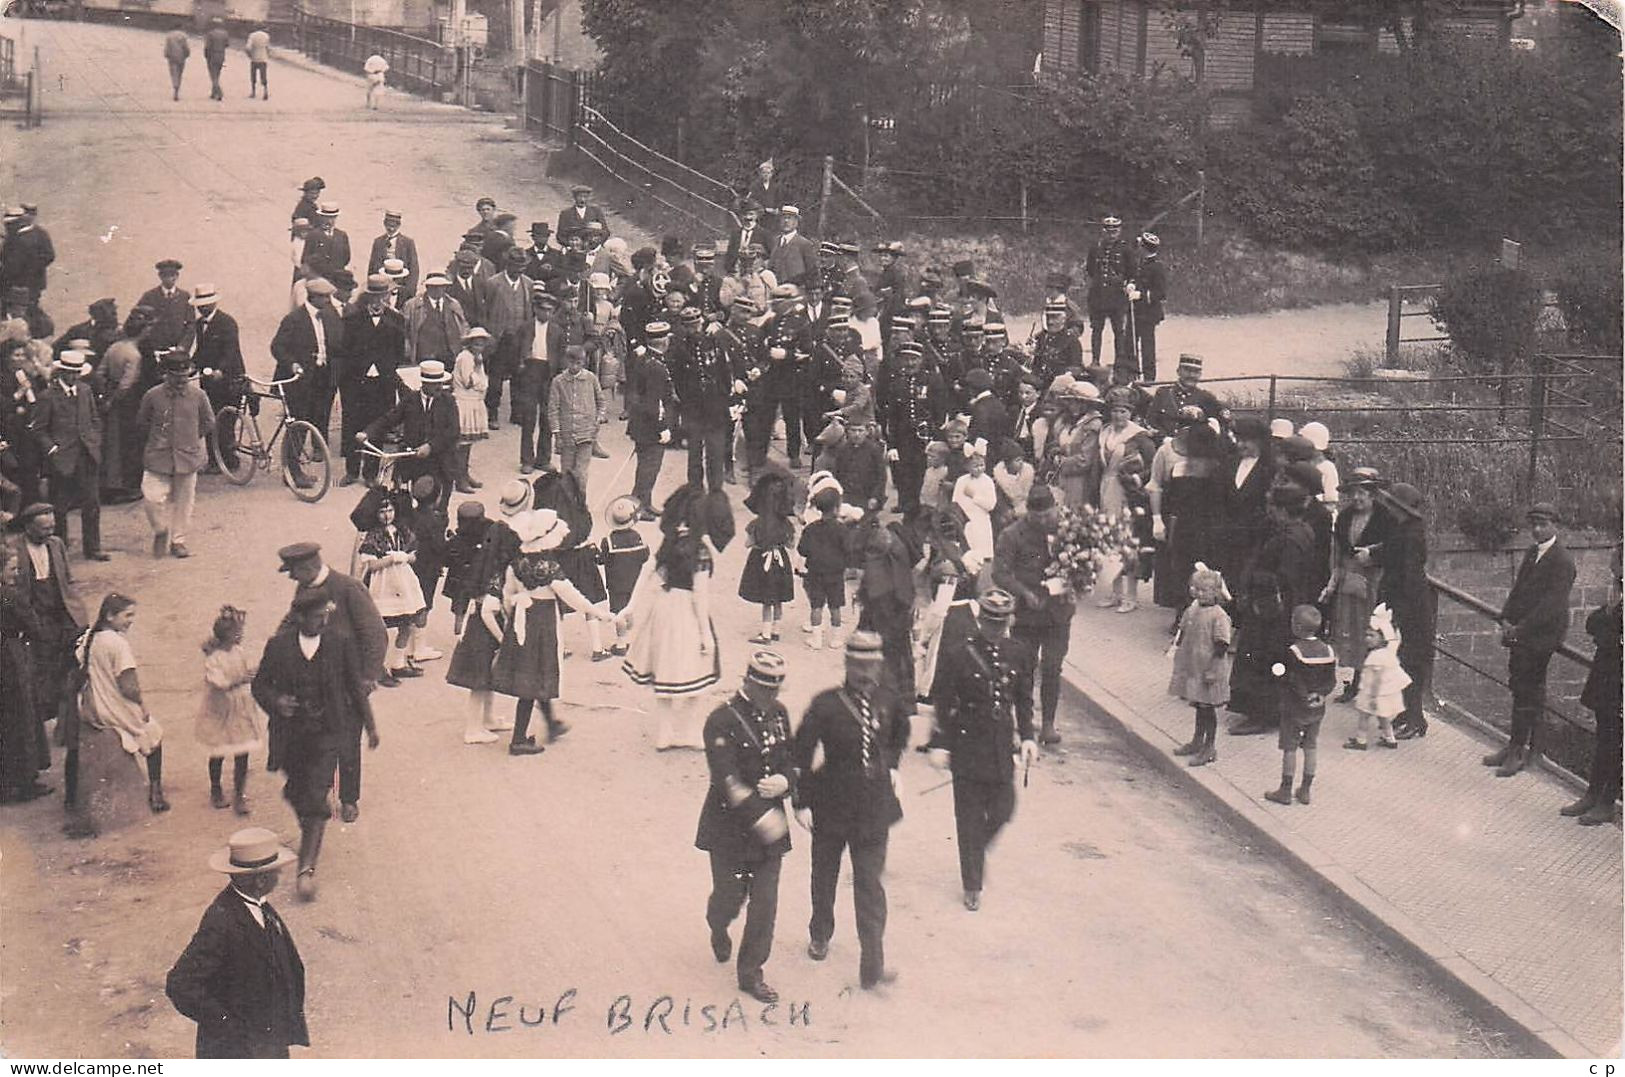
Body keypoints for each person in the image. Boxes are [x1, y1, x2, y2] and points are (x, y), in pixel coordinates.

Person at [792, 630, 905, 989]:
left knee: (870, 885)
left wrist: (892, 767)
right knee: (824, 875)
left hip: (874, 808)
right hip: (831, 805)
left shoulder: (890, 700)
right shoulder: (826, 705)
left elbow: (899, 735)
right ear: (847, 664)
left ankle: (873, 962)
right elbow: (801, 754)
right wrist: (801, 802)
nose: (864, 673)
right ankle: (820, 932)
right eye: (858, 665)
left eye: (871, 665)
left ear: (879, 665)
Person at [253, 590, 379, 900]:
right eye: (316, 616)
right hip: (290, 735)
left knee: (315, 797)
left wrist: (371, 725)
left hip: (327, 733)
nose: (323, 621)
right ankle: (311, 824)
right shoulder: (278, 646)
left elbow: (354, 685)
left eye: (326, 615)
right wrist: (276, 701)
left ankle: (305, 869)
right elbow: (259, 685)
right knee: (298, 793)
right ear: (299, 617)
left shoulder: (339, 643)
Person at [696, 648, 796, 1005]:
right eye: (765, 689)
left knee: (765, 903)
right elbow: (727, 780)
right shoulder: (720, 721)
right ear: (749, 684)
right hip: (729, 828)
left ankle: (751, 972)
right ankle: (718, 923)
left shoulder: (780, 715)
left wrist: (786, 782)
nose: (771, 698)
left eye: (776, 690)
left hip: (770, 832)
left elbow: (790, 758)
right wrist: (761, 814)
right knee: (729, 897)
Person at [933, 588, 1038, 911]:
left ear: (1008, 621)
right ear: (980, 620)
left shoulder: (1019, 653)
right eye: (990, 622)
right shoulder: (957, 653)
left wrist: (1028, 736)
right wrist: (940, 743)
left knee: (1004, 807)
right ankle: (972, 883)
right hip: (966, 742)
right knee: (968, 817)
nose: (995, 629)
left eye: (1001, 623)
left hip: (1000, 743)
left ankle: (974, 850)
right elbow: (943, 700)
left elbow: (1022, 699)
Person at [166, 827, 308, 1058]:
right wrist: (226, 1024)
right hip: (236, 1051)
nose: (279, 877)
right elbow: (180, 984)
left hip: (267, 1041)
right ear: (260, 880)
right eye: (275, 872)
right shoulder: (221, 921)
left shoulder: (260, 906)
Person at [490, 509, 611, 755]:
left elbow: (507, 594)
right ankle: (518, 739)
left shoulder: (516, 563)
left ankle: (551, 722)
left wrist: (511, 615)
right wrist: (599, 613)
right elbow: (571, 595)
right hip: (542, 621)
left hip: (521, 618)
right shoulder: (549, 566)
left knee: (532, 674)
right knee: (534, 677)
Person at [619, 485, 729, 747]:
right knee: (698, 672)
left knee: (665, 670)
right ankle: (690, 732)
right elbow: (699, 596)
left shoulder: (668, 544)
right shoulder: (700, 550)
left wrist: (630, 606)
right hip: (687, 614)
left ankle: (665, 732)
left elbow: (649, 572)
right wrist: (705, 634)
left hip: (663, 609)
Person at [1483, 503, 1576, 778]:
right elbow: (1519, 589)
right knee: (1519, 686)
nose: (1537, 529)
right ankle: (1513, 745)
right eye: (1533, 524)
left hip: (1541, 636)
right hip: (1523, 633)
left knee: (1528, 690)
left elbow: (1551, 606)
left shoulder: (1562, 561)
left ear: (1555, 525)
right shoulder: (1532, 552)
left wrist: (1519, 629)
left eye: (1543, 524)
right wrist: (1505, 617)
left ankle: (1519, 751)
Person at [992, 485, 1072, 746]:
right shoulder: (1012, 535)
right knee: (1022, 669)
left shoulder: (1068, 530)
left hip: (1058, 613)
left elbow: (1082, 561)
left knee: (1052, 668)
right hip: (1027, 615)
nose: (1044, 522)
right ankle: (1022, 723)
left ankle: (1048, 723)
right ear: (1028, 513)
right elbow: (1000, 573)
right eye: (1038, 517)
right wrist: (1024, 593)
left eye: (1048, 515)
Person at [80, 592, 169, 813]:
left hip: (93, 704)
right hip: (112, 707)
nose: (131, 620)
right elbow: (129, 687)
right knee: (153, 734)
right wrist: (142, 706)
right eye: (127, 615)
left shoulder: (91, 635)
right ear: (110, 616)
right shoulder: (118, 644)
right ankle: (156, 791)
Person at [9, 504, 86, 735]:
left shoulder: (57, 544)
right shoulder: (13, 549)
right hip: (33, 617)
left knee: (67, 665)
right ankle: (44, 716)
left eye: (52, 526)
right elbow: (8, 591)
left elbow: (67, 579)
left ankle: (62, 719)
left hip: (60, 614)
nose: (49, 532)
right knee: (40, 667)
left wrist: (76, 610)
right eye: (43, 528)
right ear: (28, 528)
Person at [1323, 468, 1393, 700]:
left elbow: (1395, 547)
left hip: (1376, 580)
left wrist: (1373, 554)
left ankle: (1375, 687)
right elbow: (1338, 551)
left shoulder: (1385, 518)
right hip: (1350, 580)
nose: (1357, 498)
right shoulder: (1344, 517)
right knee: (1352, 630)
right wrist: (1333, 581)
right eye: (1353, 492)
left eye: (1362, 492)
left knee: (1373, 629)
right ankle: (1355, 682)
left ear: (1373, 494)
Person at [137, 350, 214, 559]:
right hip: (158, 456)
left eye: (185, 377)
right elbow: (142, 422)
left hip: (187, 457)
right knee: (151, 497)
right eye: (176, 378)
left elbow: (208, 422)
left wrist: (190, 440)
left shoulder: (199, 396)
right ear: (166, 375)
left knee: (184, 502)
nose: (181, 382)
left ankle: (178, 541)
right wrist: (157, 441)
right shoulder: (153, 395)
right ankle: (160, 530)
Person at [1373, 482, 1434, 740]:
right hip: (1401, 602)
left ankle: (1415, 718)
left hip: (1410, 606)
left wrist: (1398, 612)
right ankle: (1404, 713)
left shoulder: (1412, 534)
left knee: (1410, 662)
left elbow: (1408, 575)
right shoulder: (1403, 529)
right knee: (1400, 659)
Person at [32, 349, 107, 560]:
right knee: (60, 508)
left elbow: (94, 419)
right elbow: (38, 429)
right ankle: (60, 550)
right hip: (61, 459)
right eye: (69, 372)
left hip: (87, 455)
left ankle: (93, 548)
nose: (73, 377)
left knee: (92, 504)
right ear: (60, 372)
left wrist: (94, 440)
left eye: (77, 372)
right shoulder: (48, 397)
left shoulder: (85, 390)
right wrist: (53, 449)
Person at [270, 276, 343, 488]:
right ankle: (292, 472)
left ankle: (308, 460)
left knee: (318, 418)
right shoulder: (294, 319)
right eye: (325, 297)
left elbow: (339, 341)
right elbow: (277, 347)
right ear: (313, 298)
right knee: (298, 426)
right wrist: (292, 364)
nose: (329, 301)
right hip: (299, 381)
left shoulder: (330, 316)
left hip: (324, 377)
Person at [1565, 548, 1621, 825]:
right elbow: (1592, 623)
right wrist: (1609, 624)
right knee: (1603, 739)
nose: (1614, 572)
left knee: (1615, 743)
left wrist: (1609, 628)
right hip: (1607, 677)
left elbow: (1610, 635)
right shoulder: (1616, 594)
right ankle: (1592, 794)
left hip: (1619, 681)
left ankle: (1608, 801)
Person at [358, 359, 459, 508]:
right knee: (408, 506)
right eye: (436, 384)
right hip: (413, 462)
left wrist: (431, 446)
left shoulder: (448, 402)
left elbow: (453, 432)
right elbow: (389, 419)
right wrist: (367, 432)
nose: (440, 387)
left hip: (440, 463)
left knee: (439, 509)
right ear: (424, 384)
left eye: (441, 383)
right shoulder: (410, 400)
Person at [196, 605, 265, 815]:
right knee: (218, 751)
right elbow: (219, 682)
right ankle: (216, 789)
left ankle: (238, 794)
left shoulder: (239, 651)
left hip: (240, 708)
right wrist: (242, 678)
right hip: (221, 709)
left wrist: (253, 673)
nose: (241, 636)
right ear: (229, 636)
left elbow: (246, 669)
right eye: (238, 632)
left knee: (242, 751)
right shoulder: (214, 658)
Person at [338, 275, 406, 487]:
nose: (377, 301)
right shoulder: (352, 320)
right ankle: (351, 471)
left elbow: (399, 352)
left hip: (383, 383)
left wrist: (387, 372)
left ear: (387, 296)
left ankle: (370, 473)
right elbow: (344, 351)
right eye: (373, 297)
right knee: (352, 426)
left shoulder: (396, 320)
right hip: (357, 382)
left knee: (378, 426)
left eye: (382, 296)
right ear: (367, 297)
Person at [1267, 604, 1336, 804]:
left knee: (1290, 747)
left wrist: (1276, 671)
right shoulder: (1328, 650)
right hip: (1318, 707)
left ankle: (1285, 790)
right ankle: (1305, 790)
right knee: (1311, 746)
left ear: (1296, 627)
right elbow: (1331, 681)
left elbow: (1290, 678)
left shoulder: (1294, 651)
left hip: (1295, 707)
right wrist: (1320, 695)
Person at [357, 496, 427, 687]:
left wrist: (405, 557)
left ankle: (398, 662)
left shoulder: (402, 531)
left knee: (408, 622)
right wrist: (393, 558)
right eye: (382, 512)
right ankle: (377, 668)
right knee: (380, 629)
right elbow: (371, 565)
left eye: (390, 511)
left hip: (403, 582)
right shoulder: (373, 536)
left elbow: (413, 555)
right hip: (382, 584)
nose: (387, 515)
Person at [0, 544, 50, 803]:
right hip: (12, 656)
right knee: (23, 714)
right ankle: (25, 780)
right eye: (12, 568)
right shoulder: (10, 596)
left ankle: (5, 782)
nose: (17, 573)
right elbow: (34, 626)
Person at [1169, 566, 1232, 767]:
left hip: (1208, 668)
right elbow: (1184, 629)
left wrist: (1213, 669)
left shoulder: (1219, 615)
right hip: (1194, 666)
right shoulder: (1194, 608)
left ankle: (1210, 746)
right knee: (1198, 704)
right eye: (1194, 588)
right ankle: (1197, 740)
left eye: (1203, 590)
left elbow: (1222, 644)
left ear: (1215, 592)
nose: (1197, 592)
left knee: (1207, 708)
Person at [188, 285, 246, 475]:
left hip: (229, 380)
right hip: (208, 381)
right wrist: (191, 366)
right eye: (199, 306)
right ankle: (215, 460)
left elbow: (231, 352)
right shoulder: (198, 324)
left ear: (214, 303)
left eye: (205, 305)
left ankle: (229, 458)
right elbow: (201, 350)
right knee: (209, 419)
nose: (202, 309)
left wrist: (221, 370)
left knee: (226, 421)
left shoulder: (227, 323)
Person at [739, 471, 796, 644]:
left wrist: (757, 543)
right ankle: (776, 629)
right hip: (781, 560)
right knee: (778, 597)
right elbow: (791, 545)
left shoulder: (756, 524)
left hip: (763, 560)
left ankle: (765, 634)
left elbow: (748, 544)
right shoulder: (786, 524)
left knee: (767, 599)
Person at [626, 321, 674, 519]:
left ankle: (645, 502)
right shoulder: (655, 366)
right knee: (649, 468)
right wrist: (662, 427)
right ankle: (639, 506)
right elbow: (654, 402)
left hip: (641, 424)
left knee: (646, 467)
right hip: (650, 426)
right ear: (663, 342)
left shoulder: (646, 359)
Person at [546, 345, 605, 494]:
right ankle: (566, 503)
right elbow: (553, 409)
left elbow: (601, 402)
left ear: (583, 362)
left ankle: (580, 503)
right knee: (566, 471)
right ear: (566, 361)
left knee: (581, 471)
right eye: (571, 362)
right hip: (566, 435)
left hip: (587, 434)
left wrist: (598, 420)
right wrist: (557, 434)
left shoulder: (591, 379)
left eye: (578, 363)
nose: (574, 366)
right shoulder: (558, 381)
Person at [797, 485, 848, 650]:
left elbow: (802, 549)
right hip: (835, 573)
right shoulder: (842, 529)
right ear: (836, 508)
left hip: (815, 572)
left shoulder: (811, 529)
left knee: (816, 605)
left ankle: (816, 639)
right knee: (835, 606)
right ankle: (836, 638)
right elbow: (848, 549)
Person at [1084, 216, 1137, 367]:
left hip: (1117, 297)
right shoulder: (1096, 247)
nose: (1112, 233)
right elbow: (1090, 269)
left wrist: (1130, 284)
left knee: (1119, 331)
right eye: (1109, 230)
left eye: (1115, 230)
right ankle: (1095, 360)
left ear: (1119, 231)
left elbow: (1132, 272)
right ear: (1103, 231)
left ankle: (1119, 362)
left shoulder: (1126, 249)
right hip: (1098, 296)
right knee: (1096, 330)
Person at [450, 327, 492, 492]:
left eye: (482, 344)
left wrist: (481, 377)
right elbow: (470, 381)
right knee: (461, 444)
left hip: (474, 401)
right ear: (470, 343)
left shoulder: (478, 358)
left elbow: (483, 383)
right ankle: (459, 479)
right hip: (464, 402)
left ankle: (465, 474)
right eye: (476, 344)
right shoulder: (465, 358)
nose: (479, 347)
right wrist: (480, 379)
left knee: (468, 445)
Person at [1146, 354, 1225, 438]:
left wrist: (1202, 416)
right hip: (1164, 444)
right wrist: (1163, 438)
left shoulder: (1205, 397)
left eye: (1196, 372)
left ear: (1200, 375)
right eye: (1187, 371)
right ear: (1178, 371)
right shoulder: (1163, 393)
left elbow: (1221, 421)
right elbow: (1151, 421)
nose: (1191, 375)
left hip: (1193, 447)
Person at [404, 273, 468, 366]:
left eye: (442, 286)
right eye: (434, 286)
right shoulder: (412, 306)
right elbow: (404, 331)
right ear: (427, 287)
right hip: (424, 359)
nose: (438, 290)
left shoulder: (453, 305)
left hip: (450, 357)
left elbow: (464, 328)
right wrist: (409, 352)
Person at [1129, 232, 1167, 382]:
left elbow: (1160, 293)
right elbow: (1136, 278)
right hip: (1135, 311)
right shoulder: (1141, 263)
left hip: (1148, 313)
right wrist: (1131, 284)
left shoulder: (1157, 267)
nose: (1138, 248)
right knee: (1130, 343)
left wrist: (1141, 295)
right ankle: (1133, 373)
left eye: (1140, 246)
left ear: (1144, 248)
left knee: (1147, 345)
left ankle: (1149, 377)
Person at [138, 259, 194, 352]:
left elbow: (191, 325)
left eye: (172, 275)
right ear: (160, 276)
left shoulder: (185, 297)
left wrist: (183, 346)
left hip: (178, 350)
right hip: (154, 349)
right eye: (165, 275)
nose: (169, 279)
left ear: (177, 276)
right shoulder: (149, 296)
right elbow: (138, 320)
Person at [203, 19, 229, 102]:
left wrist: (206, 55)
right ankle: (213, 93)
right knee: (217, 74)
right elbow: (227, 45)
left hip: (212, 55)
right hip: (221, 55)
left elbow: (207, 47)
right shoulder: (225, 34)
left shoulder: (210, 34)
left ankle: (219, 92)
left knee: (213, 76)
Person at [164, 28, 190, 101]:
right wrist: (187, 54)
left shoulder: (169, 36)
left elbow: (167, 47)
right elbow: (186, 47)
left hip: (172, 57)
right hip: (181, 57)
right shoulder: (183, 36)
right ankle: (177, 88)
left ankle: (175, 87)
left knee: (174, 74)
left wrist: (166, 54)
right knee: (179, 74)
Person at [245, 24, 271, 99]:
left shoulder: (252, 36)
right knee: (263, 75)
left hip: (254, 58)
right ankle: (265, 91)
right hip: (263, 58)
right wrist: (267, 54)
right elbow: (268, 47)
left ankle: (253, 92)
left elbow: (248, 48)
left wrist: (249, 55)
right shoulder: (266, 36)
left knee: (253, 76)